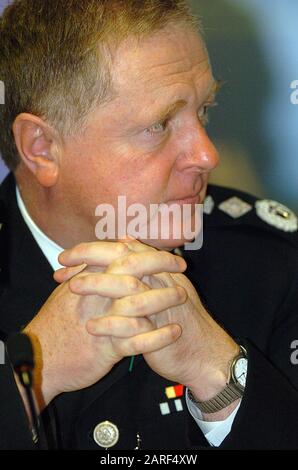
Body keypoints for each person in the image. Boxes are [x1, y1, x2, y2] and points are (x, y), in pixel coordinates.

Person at [0, 0, 297, 450]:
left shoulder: (275, 263)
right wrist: (31, 378)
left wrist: (222, 376)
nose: (206, 155)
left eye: (204, 111)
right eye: (159, 125)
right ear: (41, 148)